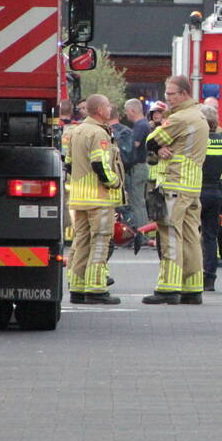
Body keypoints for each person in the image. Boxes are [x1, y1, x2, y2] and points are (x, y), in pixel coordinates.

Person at [142, 76, 209, 305]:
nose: (167, 98)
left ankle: (167, 288)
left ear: (184, 93)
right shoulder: (199, 115)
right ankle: (193, 288)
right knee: (191, 237)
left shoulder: (180, 118)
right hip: (192, 185)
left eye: (171, 94)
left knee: (169, 234)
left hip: (175, 183)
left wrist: (159, 147)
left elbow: (150, 140)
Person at [66, 94, 125, 305]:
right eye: (108, 106)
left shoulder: (76, 131)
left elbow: (69, 164)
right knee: (100, 242)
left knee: (81, 242)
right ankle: (96, 289)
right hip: (98, 199)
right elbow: (100, 165)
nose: (110, 109)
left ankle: (78, 288)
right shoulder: (99, 133)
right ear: (100, 110)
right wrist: (114, 183)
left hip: (79, 198)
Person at [199, 104, 222, 291]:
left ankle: (194, 277)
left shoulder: (198, 140)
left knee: (192, 236)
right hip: (216, 192)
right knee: (210, 237)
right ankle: (210, 278)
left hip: (197, 191)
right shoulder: (220, 139)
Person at [124, 98, 151, 234]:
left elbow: (133, 146)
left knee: (137, 202)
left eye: (127, 111)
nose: (126, 114)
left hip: (138, 168)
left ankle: (141, 234)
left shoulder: (140, 126)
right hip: (142, 167)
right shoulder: (144, 124)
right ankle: (143, 232)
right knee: (139, 201)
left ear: (132, 110)